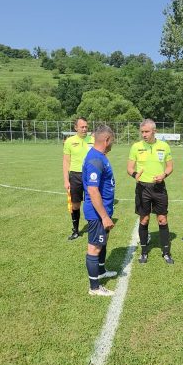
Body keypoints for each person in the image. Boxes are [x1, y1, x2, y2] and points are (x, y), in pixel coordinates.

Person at [127, 118, 174, 264]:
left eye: (147, 131)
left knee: (162, 219)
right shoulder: (136, 147)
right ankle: (144, 252)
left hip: (159, 187)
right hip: (142, 188)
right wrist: (135, 175)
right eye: (142, 132)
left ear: (155, 131)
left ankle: (166, 253)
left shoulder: (164, 146)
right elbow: (129, 168)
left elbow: (170, 167)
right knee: (144, 219)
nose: (144, 134)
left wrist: (164, 175)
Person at [82, 126, 118, 296]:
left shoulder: (100, 156)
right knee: (94, 247)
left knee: (102, 242)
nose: (113, 144)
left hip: (104, 209)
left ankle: (101, 271)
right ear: (107, 140)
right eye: (113, 141)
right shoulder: (95, 159)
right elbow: (93, 190)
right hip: (97, 213)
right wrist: (104, 216)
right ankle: (94, 287)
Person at [63, 118, 94, 240]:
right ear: (76, 128)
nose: (85, 129)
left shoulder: (93, 140)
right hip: (75, 176)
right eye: (82, 127)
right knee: (75, 204)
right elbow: (66, 162)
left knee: (92, 202)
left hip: (90, 175)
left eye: (86, 127)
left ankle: (93, 228)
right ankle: (75, 230)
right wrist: (66, 180)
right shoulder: (69, 141)